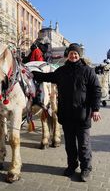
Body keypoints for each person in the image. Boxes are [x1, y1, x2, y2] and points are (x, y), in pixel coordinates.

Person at [32, 43, 102, 182]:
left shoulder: (88, 71)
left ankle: (86, 169)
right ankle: (71, 166)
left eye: (75, 53)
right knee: (69, 145)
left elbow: (96, 90)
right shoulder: (62, 71)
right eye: (71, 53)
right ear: (68, 55)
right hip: (67, 115)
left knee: (83, 145)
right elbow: (48, 77)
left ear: (79, 55)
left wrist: (95, 109)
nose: (73, 55)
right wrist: (32, 73)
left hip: (83, 115)